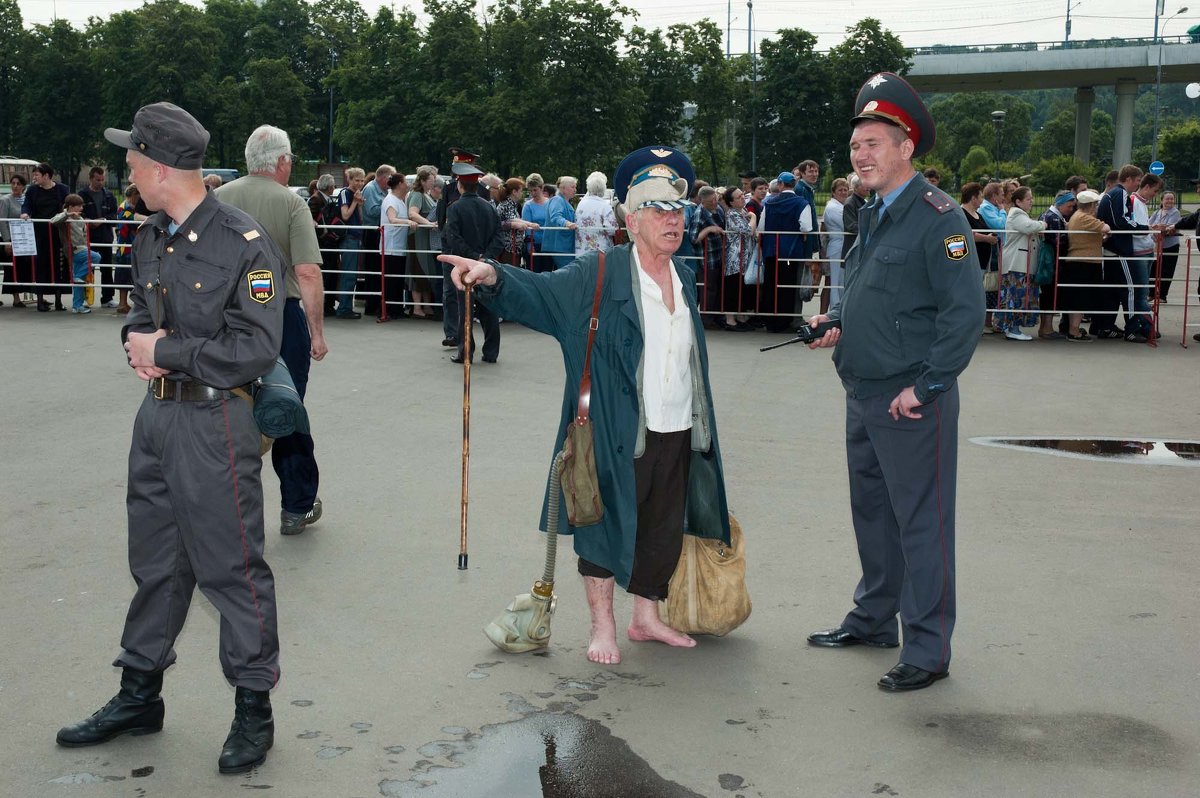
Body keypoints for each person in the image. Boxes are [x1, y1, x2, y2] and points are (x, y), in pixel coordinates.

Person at [57, 101, 285, 774]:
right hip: (155, 421)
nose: (125, 166)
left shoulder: (243, 242)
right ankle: (140, 693)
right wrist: (136, 340)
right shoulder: (150, 236)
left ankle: (254, 708)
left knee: (231, 570)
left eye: (132, 158)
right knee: (156, 565)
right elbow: (139, 308)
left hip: (215, 423)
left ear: (159, 168)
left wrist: (172, 349)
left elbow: (258, 345)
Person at [439, 144, 730, 666]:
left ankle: (646, 617)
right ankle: (602, 627)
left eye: (678, 211)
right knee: (601, 527)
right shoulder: (597, 274)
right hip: (609, 429)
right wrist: (492, 275)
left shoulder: (684, 277)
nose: (672, 221)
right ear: (631, 219)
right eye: (659, 210)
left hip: (678, 425)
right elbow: (540, 294)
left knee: (662, 526)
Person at [806, 73, 984, 692]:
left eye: (875, 143)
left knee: (922, 522)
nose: (862, 156)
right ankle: (875, 618)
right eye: (857, 146)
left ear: (907, 148)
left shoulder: (940, 218)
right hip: (862, 391)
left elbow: (965, 315)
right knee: (874, 516)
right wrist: (836, 321)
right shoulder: (872, 212)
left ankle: (929, 649)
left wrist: (929, 386)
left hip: (911, 400)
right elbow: (872, 295)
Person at [216, 123, 328, 536]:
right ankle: (296, 506)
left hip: (227, 320)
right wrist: (317, 333)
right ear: (282, 162)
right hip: (281, 318)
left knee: (226, 409)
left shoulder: (216, 199)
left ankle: (226, 507)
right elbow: (307, 271)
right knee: (285, 407)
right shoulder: (292, 203)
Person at [444, 161, 503, 364]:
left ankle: (465, 352)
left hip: (466, 266)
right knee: (489, 309)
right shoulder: (489, 208)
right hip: (486, 266)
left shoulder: (455, 208)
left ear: (459, 185)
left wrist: (473, 257)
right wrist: (485, 258)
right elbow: (499, 237)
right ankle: (491, 352)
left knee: (466, 310)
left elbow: (453, 238)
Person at [1095, 164, 1149, 341]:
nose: (1138, 186)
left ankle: (1106, 326)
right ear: (1129, 179)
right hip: (1119, 250)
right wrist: (1145, 228)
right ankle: (1132, 329)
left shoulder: (1112, 194)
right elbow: (1121, 221)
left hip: (1110, 249)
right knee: (1130, 290)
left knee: (1112, 291)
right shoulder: (1121, 193)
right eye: (1137, 181)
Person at [758, 171, 814, 333]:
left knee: (770, 285)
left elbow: (762, 228)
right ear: (794, 185)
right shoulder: (802, 203)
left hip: (771, 250)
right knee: (787, 286)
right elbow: (806, 227)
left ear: (780, 184)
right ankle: (785, 320)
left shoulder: (769, 203)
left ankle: (770, 320)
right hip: (791, 251)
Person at [995, 186, 1045, 341]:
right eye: (1028, 199)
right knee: (1016, 296)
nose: (1032, 201)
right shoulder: (1017, 214)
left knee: (1020, 296)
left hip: (1021, 263)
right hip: (1017, 263)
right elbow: (1029, 227)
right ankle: (1013, 329)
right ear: (1018, 201)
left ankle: (1014, 328)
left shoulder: (1020, 214)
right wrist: (1044, 224)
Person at [1061, 190, 1110, 341]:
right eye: (1095, 205)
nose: (1096, 208)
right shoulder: (1084, 217)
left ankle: (1073, 328)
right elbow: (1105, 228)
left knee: (1079, 297)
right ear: (1090, 206)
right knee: (1080, 298)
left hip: (1082, 261)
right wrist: (1106, 231)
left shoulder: (1077, 216)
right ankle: (1073, 331)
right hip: (1083, 262)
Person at [20, 163, 70, 311]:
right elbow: (27, 205)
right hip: (40, 233)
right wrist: (25, 213)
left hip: (57, 233)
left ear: (46, 176)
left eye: (36, 175)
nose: (34, 177)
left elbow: (67, 205)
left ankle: (59, 300)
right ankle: (40, 300)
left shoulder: (62, 189)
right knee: (40, 265)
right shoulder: (32, 190)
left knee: (59, 265)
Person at [50, 193, 101, 313]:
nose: (81, 209)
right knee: (96, 257)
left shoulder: (81, 219)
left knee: (80, 279)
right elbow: (53, 221)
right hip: (72, 249)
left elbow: (84, 234)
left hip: (82, 248)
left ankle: (77, 306)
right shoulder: (64, 217)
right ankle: (76, 278)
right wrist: (67, 214)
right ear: (70, 206)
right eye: (79, 206)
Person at [78, 166, 120, 308]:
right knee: (87, 268)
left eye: (102, 180)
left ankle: (107, 298)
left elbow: (115, 214)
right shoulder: (82, 195)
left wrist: (103, 220)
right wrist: (89, 221)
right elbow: (77, 213)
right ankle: (85, 297)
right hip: (88, 237)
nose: (100, 182)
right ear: (90, 179)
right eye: (97, 180)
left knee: (107, 268)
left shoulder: (109, 195)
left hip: (105, 236)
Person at [960, 182, 998, 333]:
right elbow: (965, 234)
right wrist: (986, 239)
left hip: (982, 261)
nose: (982, 199)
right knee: (968, 293)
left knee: (976, 293)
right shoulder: (961, 213)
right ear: (973, 197)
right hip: (970, 260)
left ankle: (973, 325)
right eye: (981, 196)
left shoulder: (979, 214)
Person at [1038, 190, 1075, 340]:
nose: (1071, 210)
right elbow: (1058, 241)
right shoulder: (1053, 218)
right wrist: (1069, 233)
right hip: (1052, 262)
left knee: (1048, 293)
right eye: (1069, 206)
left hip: (1050, 261)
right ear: (1060, 204)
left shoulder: (1050, 215)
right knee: (1049, 294)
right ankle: (1046, 328)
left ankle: (1045, 327)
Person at [359, 164, 395, 318]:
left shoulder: (383, 190)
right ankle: (371, 305)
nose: (392, 181)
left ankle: (376, 303)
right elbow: (371, 211)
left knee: (378, 269)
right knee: (372, 269)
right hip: (372, 232)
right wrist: (388, 206)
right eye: (391, 178)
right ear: (383, 177)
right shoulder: (370, 189)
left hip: (379, 232)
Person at [380, 172, 415, 319]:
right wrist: (408, 222)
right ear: (400, 184)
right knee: (392, 280)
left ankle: (396, 309)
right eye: (405, 182)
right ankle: (391, 309)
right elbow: (392, 219)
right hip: (391, 247)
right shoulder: (391, 200)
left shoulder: (399, 200)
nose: (407, 185)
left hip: (398, 247)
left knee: (397, 279)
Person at [721, 185, 756, 330]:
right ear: (731, 202)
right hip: (735, 258)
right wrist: (754, 217)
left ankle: (741, 317)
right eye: (738, 197)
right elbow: (748, 230)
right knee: (733, 287)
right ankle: (730, 319)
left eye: (743, 195)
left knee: (742, 287)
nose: (743, 198)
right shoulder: (733, 214)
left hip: (745, 257)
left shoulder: (743, 211)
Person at [334, 167, 367, 319]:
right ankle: (344, 308)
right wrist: (355, 202)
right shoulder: (345, 193)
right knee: (349, 273)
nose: (359, 183)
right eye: (357, 180)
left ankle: (346, 306)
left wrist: (359, 203)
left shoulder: (355, 194)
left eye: (362, 180)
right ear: (350, 179)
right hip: (349, 238)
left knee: (352, 274)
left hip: (356, 237)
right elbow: (345, 215)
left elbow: (359, 217)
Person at [310, 174, 342, 317]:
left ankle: (328, 304)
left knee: (331, 273)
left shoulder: (321, 198)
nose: (334, 187)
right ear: (329, 187)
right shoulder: (316, 199)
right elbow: (311, 219)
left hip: (328, 242)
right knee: (327, 273)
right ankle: (325, 305)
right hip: (323, 243)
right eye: (333, 185)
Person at [112, 184, 145, 314]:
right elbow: (132, 224)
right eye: (139, 196)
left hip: (131, 245)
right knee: (124, 273)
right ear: (133, 195)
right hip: (125, 246)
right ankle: (122, 303)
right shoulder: (124, 208)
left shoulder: (131, 207)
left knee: (131, 273)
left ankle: (127, 303)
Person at [575, 171, 619, 255]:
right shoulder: (605, 206)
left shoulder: (581, 204)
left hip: (581, 250)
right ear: (603, 188)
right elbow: (612, 230)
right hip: (600, 250)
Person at [823, 177, 849, 310]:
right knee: (836, 281)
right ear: (833, 192)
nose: (843, 192)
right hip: (837, 246)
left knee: (842, 280)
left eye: (846, 190)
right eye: (840, 190)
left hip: (842, 246)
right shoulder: (833, 208)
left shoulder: (841, 206)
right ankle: (835, 309)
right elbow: (847, 225)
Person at [496, 177, 536, 266]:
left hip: (513, 247)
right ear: (514, 192)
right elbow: (512, 218)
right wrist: (529, 224)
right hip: (508, 247)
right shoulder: (506, 204)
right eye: (521, 191)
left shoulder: (512, 204)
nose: (522, 193)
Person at [1150, 191, 1181, 302]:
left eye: (1172, 199)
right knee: (1153, 269)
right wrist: (1156, 229)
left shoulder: (1175, 212)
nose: (1170, 201)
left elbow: (1170, 227)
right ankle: (1151, 293)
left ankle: (1162, 295)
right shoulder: (1156, 212)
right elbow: (1149, 225)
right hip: (1156, 245)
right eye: (1167, 199)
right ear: (1162, 200)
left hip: (1170, 245)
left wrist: (1157, 228)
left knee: (1167, 271)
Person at [2, 174, 28, 307]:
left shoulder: (26, 199)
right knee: (12, 268)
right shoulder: (5, 200)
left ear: (23, 186)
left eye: (18, 184)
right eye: (13, 183)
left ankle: (30, 293)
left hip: (25, 238)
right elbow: (2, 221)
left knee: (26, 267)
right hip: (12, 238)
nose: (15, 186)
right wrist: (7, 241)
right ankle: (16, 297)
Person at [543, 176, 578, 269]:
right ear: (563, 189)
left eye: (575, 187)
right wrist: (567, 223)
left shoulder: (563, 201)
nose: (575, 190)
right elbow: (555, 217)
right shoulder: (557, 200)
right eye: (572, 187)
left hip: (564, 245)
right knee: (568, 272)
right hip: (560, 246)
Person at [520, 173, 550, 272]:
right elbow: (527, 227)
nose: (533, 193)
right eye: (530, 190)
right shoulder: (528, 205)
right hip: (535, 244)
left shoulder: (550, 203)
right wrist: (530, 245)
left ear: (542, 188)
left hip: (548, 244)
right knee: (534, 273)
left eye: (535, 190)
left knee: (548, 272)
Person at [841, 173, 869, 254]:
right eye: (865, 185)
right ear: (855, 188)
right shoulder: (850, 203)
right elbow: (851, 226)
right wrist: (871, 229)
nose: (868, 188)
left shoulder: (863, 202)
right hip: (854, 247)